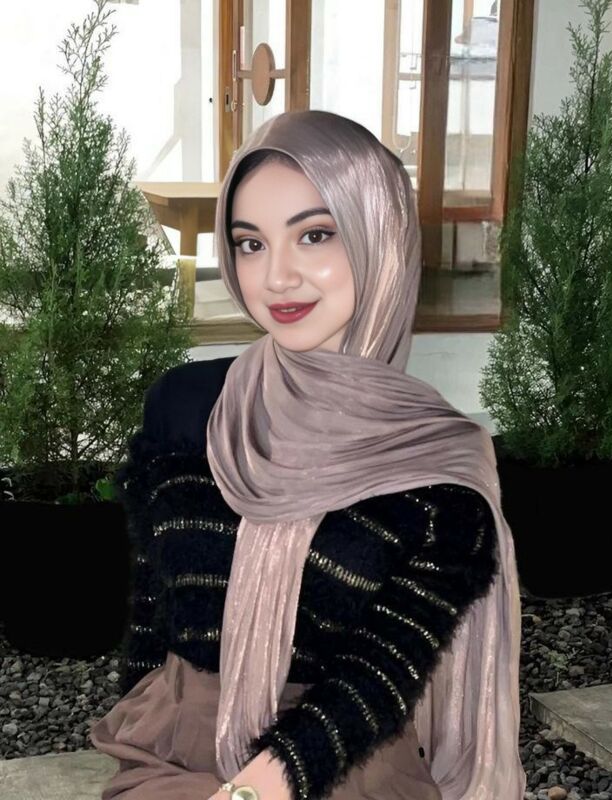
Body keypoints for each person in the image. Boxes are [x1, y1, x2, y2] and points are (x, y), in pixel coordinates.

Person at [90, 109, 526, 800]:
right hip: (171, 751)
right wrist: (139, 715)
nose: (276, 277)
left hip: (341, 769)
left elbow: (379, 678)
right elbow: (154, 602)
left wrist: (250, 791)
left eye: (315, 235)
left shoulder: (438, 466)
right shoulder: (186, 408)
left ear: (380, 237)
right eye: (250, 243)